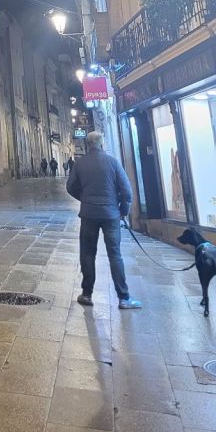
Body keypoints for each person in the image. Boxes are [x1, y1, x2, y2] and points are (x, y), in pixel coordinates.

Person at [66, 131, 141, 309]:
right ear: (102, 143)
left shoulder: (80, 163)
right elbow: (127, 192)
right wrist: (122, 210)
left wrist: (85, 199)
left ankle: (86, 294)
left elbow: (70, 187)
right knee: (115, 255)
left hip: (89, 214)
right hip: (111, 215)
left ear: (88, 144)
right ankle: (123, 297)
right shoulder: (113, 162)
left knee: (87, 253)